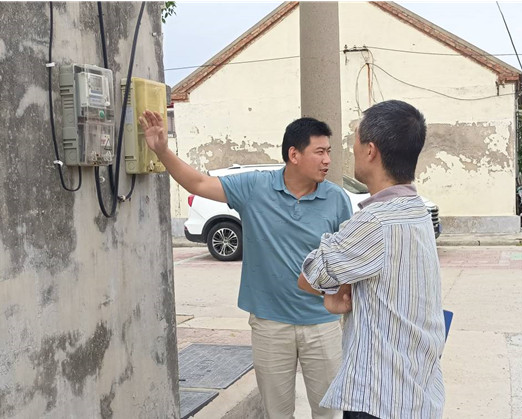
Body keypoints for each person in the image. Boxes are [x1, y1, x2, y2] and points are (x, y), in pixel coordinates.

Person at [139, 111, 351, 419]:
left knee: (329, 413)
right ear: (294, 155)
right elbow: (198, 183)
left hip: (322, 324)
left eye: (328, 152)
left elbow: (345, 260)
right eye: (320, 152)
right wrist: (161, 150)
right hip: (270, 324)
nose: (327, 160)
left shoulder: (336, 198)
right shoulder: (255, 187)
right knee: (277, 414)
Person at [297, 100, 446, 419]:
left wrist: (331, 289)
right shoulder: (417, 210)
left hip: (381, 398)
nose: (350, 150)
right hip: (416, 392)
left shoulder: (375, 222)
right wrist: (341, 290)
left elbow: (309, 276)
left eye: (354, 141)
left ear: (370, 151)